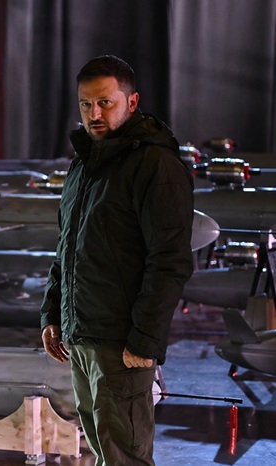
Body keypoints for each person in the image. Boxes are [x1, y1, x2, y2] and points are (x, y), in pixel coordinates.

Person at [40, 55, 194, 465]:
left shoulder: (155, 165)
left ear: (132, 101)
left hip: (122, 344)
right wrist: (52, 314)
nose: (95, 114)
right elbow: (67, 247)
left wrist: (145, 340)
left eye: (105, 102)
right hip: (82, 338)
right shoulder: (84, 165)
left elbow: (170, 261)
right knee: (105, 452)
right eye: (86, 104)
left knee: (125, 456)